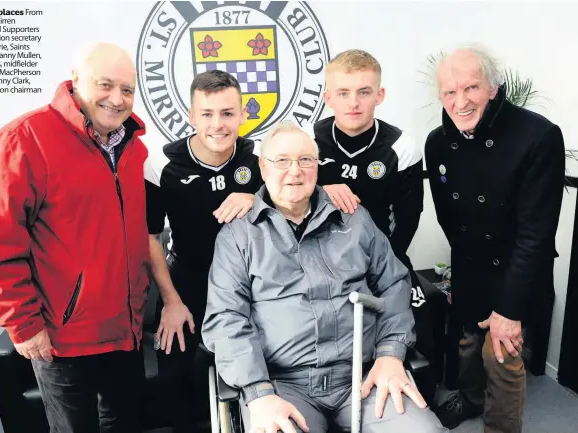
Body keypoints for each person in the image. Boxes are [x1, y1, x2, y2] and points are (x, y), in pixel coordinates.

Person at [202, 121, 446, 433]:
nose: (295, 170)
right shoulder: (238, 235)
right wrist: (258, 392)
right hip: (281, 385)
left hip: (364, 375)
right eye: (282, 161)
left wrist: (390, 353)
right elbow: (226, 319)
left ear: (318, 167)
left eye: (305, 160)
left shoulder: (354, 218)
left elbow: (394, 283)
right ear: (263, 167)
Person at [0, 42, 150, 433]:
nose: (117, 99)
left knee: (127, 425)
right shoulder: (23, 140)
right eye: (105, 85)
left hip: (126, 330)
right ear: (76, 80)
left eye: (127, 89)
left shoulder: (133, 148)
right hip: (62, 339)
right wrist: (22, 323)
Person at [425, 45, 565, 432]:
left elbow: (535, 235)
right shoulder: (437, 141)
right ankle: (470, 400)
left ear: (493, 87)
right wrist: (458, 277)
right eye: (450, 92)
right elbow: (448, 218)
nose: (460, 101)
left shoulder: (538, 136)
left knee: (500, 355)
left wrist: (509, 310)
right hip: (470, 267)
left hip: (515, 270)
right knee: (468, 346)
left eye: (470, 88)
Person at [309, 49, 437, 401]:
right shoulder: (307, 140)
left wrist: (383, 274)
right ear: (328, 97)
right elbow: (283, 197)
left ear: (379, 95)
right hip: (320, 265)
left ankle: (419, 397)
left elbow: (409, 220)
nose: (354, 103)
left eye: (364, 92)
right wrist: (321, 187)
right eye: (343, 93)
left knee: (425, 329)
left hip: (384, 260)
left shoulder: (402, 145)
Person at [144, 69, 263, 431]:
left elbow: (293, 204)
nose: (218, 124)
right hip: (188, 283)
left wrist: (255, 197)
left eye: (228, 113)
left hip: (251, 284)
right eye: (207, 114)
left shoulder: (261, 157)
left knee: (264, 366)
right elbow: (150, 238)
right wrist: (171, 301)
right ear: (191, 116)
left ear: (243, 114)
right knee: (173, 376)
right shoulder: (161, 164)